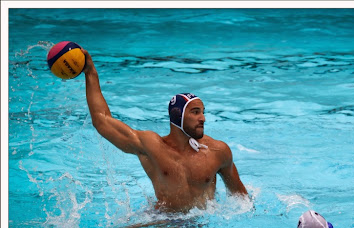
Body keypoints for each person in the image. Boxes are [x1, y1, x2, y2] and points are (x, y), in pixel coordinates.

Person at [81, 49, 248, 213]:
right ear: (178, 117)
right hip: (165, 221)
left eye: (203, 112)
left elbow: (242, 199)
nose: (203, 118)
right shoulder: (153, 146)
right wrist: (91, 73)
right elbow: (102, 120)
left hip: (203, 223)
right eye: (196, 112)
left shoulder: (217, 151)